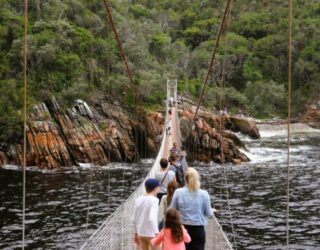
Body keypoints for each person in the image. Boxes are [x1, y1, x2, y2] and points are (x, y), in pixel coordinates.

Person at [170, 168, 213, 250]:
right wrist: (211, 211)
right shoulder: (204, 194)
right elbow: (209, 214)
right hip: (198, 230)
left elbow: (172, 211)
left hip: (182, 230)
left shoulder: (178, 192)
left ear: (185, 178)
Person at [132, 178, 161, 250]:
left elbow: (133, 219)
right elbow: (152, 218)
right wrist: (157, 233)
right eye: (158, 187)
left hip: (140, 232)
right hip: (151, 233)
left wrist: (136, 233)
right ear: (155, 189)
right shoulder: (154, 200)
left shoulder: (138, 199)